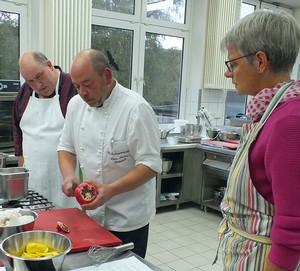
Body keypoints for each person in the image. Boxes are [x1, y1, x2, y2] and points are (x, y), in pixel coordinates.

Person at [216, 10, 300, 271]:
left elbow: (294, 230)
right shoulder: (268, 112)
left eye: (233, 64)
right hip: (246, 254)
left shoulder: (289, 122)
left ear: (260, 61)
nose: (228, 74)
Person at [57, 49, 162, 258]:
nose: (82, 92)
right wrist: (69, 176)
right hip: (91, 215)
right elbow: (66, 148)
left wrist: (111, 190)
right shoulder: (76, 105)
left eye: (87, 84)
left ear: (106, 75)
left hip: (128, 218)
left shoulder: (135, 108)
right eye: (77, 86)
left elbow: (151, 164)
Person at [13, 51, 78, 208]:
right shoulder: (24, 92)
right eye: (30, 81)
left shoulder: (73, 86)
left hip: (65, 181)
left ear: (49, 65)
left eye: (39, 76)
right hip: (34, 180)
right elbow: (17, 127)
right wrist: (22, 162)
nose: (38, 85)